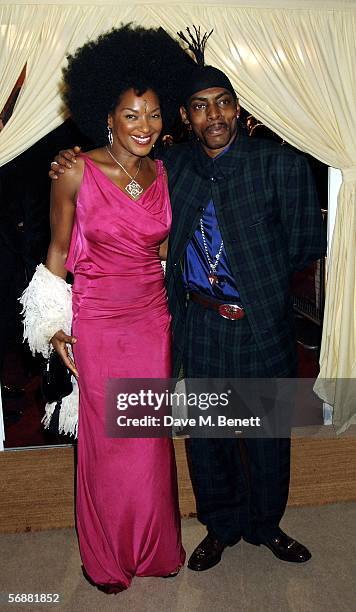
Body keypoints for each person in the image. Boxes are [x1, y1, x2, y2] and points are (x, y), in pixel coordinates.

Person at [49, 47, 326, 571]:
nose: (213, 115)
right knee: (207, 439)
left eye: (223, 103)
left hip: (260, 323)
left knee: (267, 435)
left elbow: (305, 244)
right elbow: (116, 180)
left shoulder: (281, 166)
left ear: (238, 109)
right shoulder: (171, 167)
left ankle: (267, 526)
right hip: (197, 322)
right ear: (186, 116)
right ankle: (220, 527)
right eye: (200, 106)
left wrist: (259, 285)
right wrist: (67, 158)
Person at [20, 25, 197, 592]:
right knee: (106, 448)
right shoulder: (73, 170)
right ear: (106, 116)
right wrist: (52, 328)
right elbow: (55, 253)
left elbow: (166, 250)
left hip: (152, 323)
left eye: (152, 114)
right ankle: (105, 558)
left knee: (147, 444)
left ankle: (153, 547)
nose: (145, 127)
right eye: (131, 115)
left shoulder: (165, 173)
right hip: (97, 325)